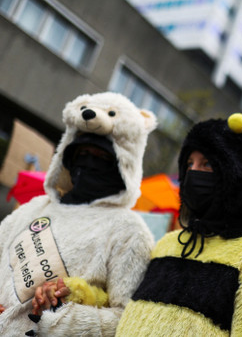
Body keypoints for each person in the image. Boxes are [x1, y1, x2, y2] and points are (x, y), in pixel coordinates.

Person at [116, 114, 242, 336]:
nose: (193, 172)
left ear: (237, 174)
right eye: (189, 164)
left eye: (207, 163)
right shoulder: (168, 243)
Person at [0, 92, 156, 336]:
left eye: (101, 157)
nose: (89, 163)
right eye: (82, 154)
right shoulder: (35, 207)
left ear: (122, 165)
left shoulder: (130, 231)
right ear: (67, 158)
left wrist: (56, 320)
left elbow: (127, 320)